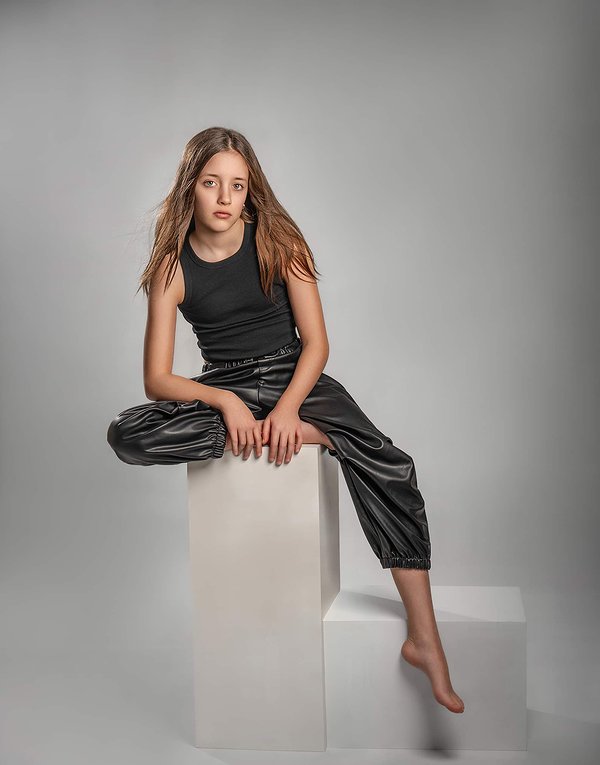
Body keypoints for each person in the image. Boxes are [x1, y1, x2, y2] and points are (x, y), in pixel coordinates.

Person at [106, 126, 464, 714]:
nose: (225, 197)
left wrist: (289, 408)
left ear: (251, 190)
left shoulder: (277, 239)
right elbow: (157, 379)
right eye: (211, 183)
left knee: (394, 468)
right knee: (127, 433)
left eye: (237, 185)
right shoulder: (172, 267)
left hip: (293, 377)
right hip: (224, 385)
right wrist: (225, 403)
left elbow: (317, 345)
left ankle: (426, 642)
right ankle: (302, 435)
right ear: (190, 187)